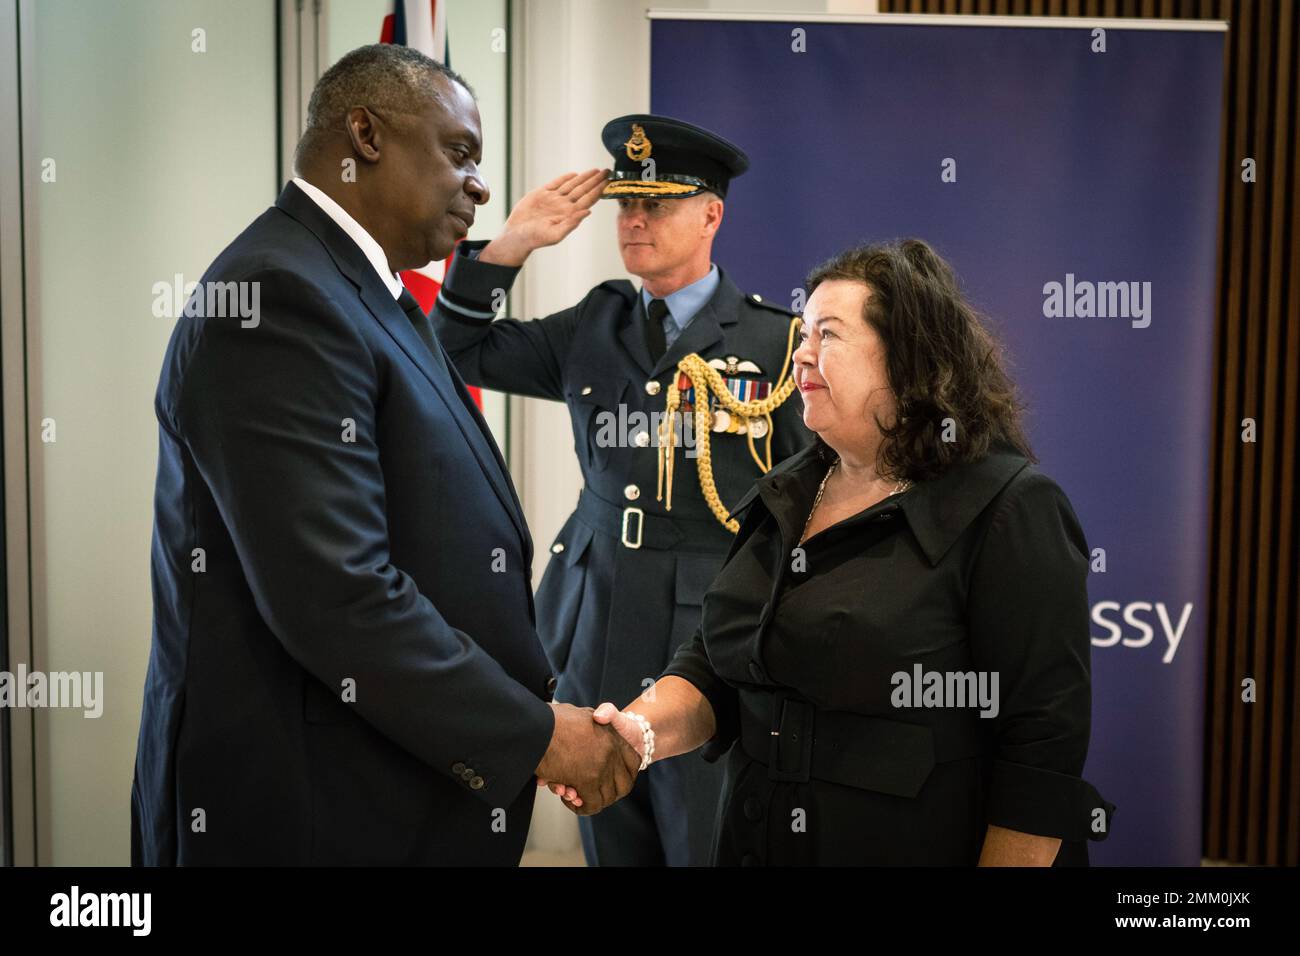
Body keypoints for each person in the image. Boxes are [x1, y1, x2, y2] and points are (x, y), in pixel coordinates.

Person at [131, 43, 638, 866]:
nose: (478, 183)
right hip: (316, 805)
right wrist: (537, 735)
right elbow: (338, 595)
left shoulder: (366, 291)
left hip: (390, 784)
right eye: (460, 153)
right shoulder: (278, 296)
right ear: (364, 134)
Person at [546, 239, 1117, 866]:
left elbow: (1041, 751)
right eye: (803, 332)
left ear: (908, 358)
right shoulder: (790, 485)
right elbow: (716, 662)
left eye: (829, 334)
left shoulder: (1008, 506)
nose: (801, 353)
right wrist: (640, 733)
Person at [431, 114, 814, 866]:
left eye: (658, 205)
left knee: (701, 839)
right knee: (608, 832)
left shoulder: (778, 343)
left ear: (711, 215)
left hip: (704, 638)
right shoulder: (595, 322)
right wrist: (512, 245)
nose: (634, 222)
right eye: (625, 206)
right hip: (595, 616)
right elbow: (452, 350)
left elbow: (813, 496)